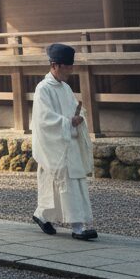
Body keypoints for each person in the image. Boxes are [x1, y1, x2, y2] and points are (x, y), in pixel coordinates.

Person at [32, 43, 97, 240]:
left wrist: (78, 118)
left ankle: (41, 215)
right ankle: (77, 227)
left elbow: (74, 110)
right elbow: (44, 119)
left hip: (69, 142)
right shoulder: (42, 89)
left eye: (71, 67)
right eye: (67, 67)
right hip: (54, 145)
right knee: (63, 185)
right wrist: (67, 123)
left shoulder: (66, 88)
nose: (70, 71)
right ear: (55, 65)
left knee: (71, 184)